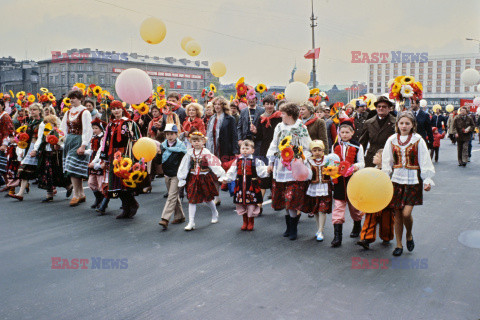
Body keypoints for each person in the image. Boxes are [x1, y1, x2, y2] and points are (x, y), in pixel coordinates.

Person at [382, 111, 435, 256]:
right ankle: (398, 244)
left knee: (406, 213)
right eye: (401, 123)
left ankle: (409, 234)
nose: (404, 126)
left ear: (413, 125)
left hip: (413, 181)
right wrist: (385, 176)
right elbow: (387, 161)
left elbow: (425, 161)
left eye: (407, 123)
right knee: (397, 214)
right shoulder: (392, 139)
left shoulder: (417, 139)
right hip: (396, 180)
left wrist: (427, 179)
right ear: (397, 124)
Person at [266, 102, 312, 241]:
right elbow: (274, 144)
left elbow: (307, 147)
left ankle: (294, 227)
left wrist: (301, 159)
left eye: (283, 113)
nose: (281, 115)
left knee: (292, 197)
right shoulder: (279, 127)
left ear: (290, 115)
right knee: (284, 196)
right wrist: (271, 162)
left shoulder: (301, 127)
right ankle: (289, 226)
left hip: (294, 166)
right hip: (281, 165)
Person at [99, 100, 142, 219]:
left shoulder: (129, 123)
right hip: (113, 155)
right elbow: (106, 142)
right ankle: (126, 207)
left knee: (125, 182)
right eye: (113, 109)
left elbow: (137, 140)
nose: (116, 111)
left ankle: (131, 205)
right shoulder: (110, 125)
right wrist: (104, 158)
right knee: (116, 184)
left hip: (126, 155)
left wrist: (137, 156)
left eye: (118, 108)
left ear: (122, 109)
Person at [177, 131, 225, 231]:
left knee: (208, 199)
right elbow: (184, 165)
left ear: (203, 141)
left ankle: (214, 212)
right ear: (191, 142)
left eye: (198, 141)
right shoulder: (189, 153)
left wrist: (221, 174)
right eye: (194, 141)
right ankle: (191, 222)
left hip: (204, 178)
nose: (196, 143)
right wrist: (181, 178)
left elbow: (215, 163)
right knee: (192, 200)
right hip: (193, 178)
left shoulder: (206, 152)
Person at [330, 119, 365, 247]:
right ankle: (337, 236)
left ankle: (357, 225)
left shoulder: (357, 146)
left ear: (352, 133)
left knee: (354, 207)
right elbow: (331, 160)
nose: (344, 135)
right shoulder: (335, 146)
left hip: (353, 180)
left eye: (347, 132)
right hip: (339, 180)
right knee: (338, 207)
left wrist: (353, 167)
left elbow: (362, 163)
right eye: (342, 132)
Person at [224, 140, 268, 231]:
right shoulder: (237, 161)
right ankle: (245, 221)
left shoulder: (255, 161)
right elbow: (232, 171)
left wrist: (267, 170)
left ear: (252, 150)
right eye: (243, 148)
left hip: (251, 186)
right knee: (241, 203)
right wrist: (226, 178)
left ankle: (251, 221)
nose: (244, 150)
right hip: (240, 186)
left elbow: (261, 170)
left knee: (251, 204)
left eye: (247, 148)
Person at [60, 90, 93, 206]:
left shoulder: (85, 112)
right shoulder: (68, 112)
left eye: (74, 98)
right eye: (71, 98)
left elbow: (88, 130)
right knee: (74, 169)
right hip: (69, 141)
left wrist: (84, 144)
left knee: (72, 167)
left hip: (79, 141)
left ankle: (76, 194)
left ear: (80, 99)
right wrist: (60, 140)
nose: (72, 100)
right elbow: (62, 128)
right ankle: (81, 193)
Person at [356, 149, 395, 249]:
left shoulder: (388, 172)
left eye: (377, 156)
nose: (374, 157)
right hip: (373, 199)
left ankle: (386, 236)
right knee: (370, 217)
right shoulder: (373, 169)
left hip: (386, 199)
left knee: (387, 219)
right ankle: (366, 239)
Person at [205, 96, 238, 205]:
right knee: (214, 173)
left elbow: (234, 136)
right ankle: (216, 197)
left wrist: (235, 151)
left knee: (229, 174)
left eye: (219, 104)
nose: (217, 106)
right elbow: (208, 135)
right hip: (212, 149)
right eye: (215, 104)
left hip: (225, 150)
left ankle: (236, 194)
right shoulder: (211, 118)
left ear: (223, 106)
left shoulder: (230, 118)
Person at [8, 103, 44, 201]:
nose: (32, 112)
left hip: (38, 148)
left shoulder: (42, 122)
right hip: (30, 147)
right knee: (24, 169)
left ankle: (66, 186)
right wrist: (23, 149)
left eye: (35, 110)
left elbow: (41, 138)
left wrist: (36, 150)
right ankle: (20, 193)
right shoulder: (30, 122)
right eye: (31, 110)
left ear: (39, 111)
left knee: (45, 170)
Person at [252, 94, 282, 207]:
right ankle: (259, 205)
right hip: (265, 150)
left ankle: (278, 201)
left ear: (274, 105)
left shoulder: (279, 117)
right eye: (267, 104)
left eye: (271, 104)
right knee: (264, 176)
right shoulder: (261, 118)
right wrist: (255, 132)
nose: (269, 106)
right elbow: (259, 137)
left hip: (278, 149)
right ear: (263, 105)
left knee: (277, 176)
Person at [33, 113, 70, 202]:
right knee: (47, 174)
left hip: (55, 156)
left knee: (58, 174)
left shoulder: (58, 132)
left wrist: (59, 146)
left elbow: (63, 143)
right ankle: (49, 194)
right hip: (46, 154)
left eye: (48, 123)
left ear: (53, 123)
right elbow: (40, 141)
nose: (46, 125)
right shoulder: (45, 133)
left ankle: (68, 186)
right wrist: (35, 149)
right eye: (45, 123)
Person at [158, 124, 187, 230]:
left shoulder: (181, 147)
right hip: (167, 173)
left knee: (171, 196)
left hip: (176, 175)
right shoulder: (163, 146)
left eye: (172, 134)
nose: (169, 136)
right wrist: (157, 154)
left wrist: (184, 174)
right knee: (174, 197)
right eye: (167, 134)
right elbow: (158, 161)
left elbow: (185, 162)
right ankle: (180, 216)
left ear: (176, 134)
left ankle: (165, 218)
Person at [304, 140, 332, 242]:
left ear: (323, 150)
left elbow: (334, 171)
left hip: (325, 187)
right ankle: (319, 228)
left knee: (322, 209)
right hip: (313, 187)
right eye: (314, 150)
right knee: (315, 209)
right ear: (311, 151)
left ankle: (321, 230)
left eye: (319, 150)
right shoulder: (309, 161)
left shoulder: (328, 159)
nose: (317, 152)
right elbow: (306, 174)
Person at [360, 96, 396, 167]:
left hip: (389, 156)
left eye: (384, 107)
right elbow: (362, 143)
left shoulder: (395, 122)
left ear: (389, 109)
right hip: (372, 158)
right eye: (379, 106)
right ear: (376, 108)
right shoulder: (369, 123)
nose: (381, 108)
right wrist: (360, 159)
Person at [86, 118, 107, 209]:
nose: (94, 130)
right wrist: (84, 151)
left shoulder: (103, 138)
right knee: (91, 182)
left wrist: (95, 163)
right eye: (93, 128)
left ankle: (102, 200)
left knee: (100, 182)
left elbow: (100, 152)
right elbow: (92, 150)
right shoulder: (94, 138)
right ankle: (98, 198)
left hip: (98, 160)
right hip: (92, 160)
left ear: (101, 129)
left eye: (96, 128)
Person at [0, 99, 14, 186]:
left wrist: (5, 144)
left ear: (2, 105)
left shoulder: (5, 116)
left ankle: (8, 183)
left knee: (3, 163)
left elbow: (9, 130)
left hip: (3, 142)